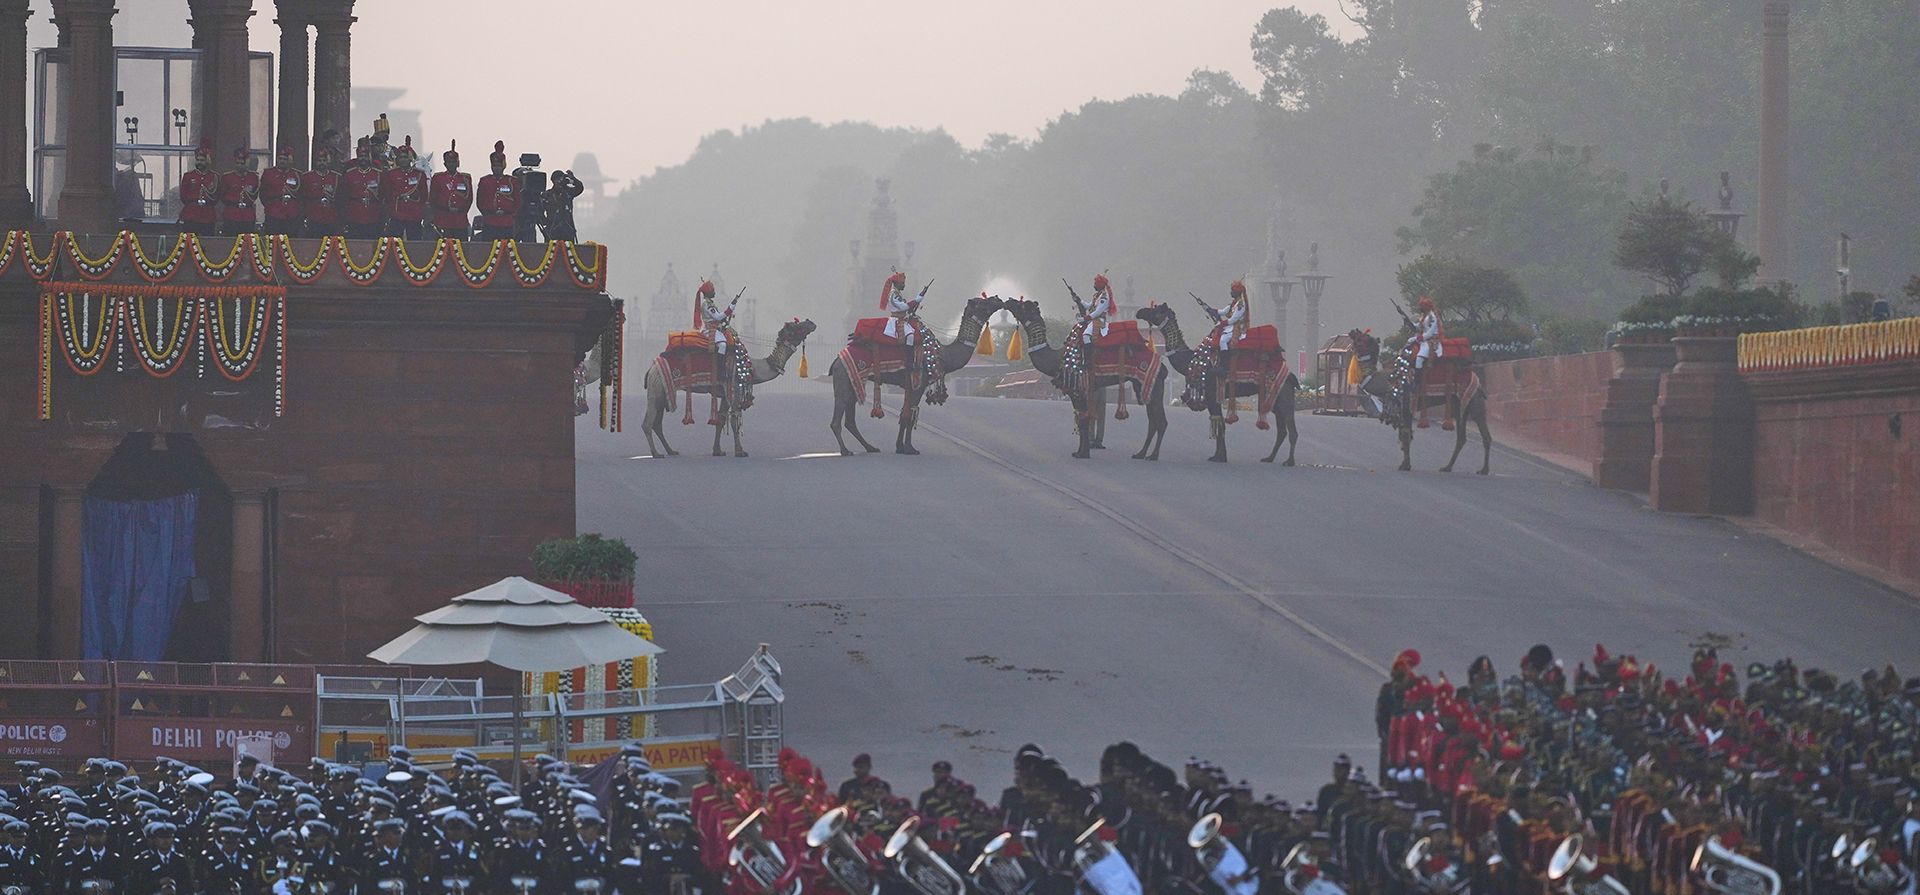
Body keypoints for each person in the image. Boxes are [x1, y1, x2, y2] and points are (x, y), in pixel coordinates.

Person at [475, 141, 521, 242]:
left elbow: (517, 201)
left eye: (499, 166)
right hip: (490, 221)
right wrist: (488, 214)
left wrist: (510, 214)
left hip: (506, 222)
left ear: (503, 166)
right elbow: (480, 201)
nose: (496, 168)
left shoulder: (512, 181)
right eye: (494, 166)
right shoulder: (485, 181)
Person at [340, 137, 385, 240]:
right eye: (360, 156)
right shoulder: (350, 171)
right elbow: (343, 195)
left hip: (373, 214)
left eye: (365, 156)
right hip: (355, 214)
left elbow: (383, 193)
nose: (363, 158)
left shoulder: (378, 172)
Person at [384, 136, 429, 239]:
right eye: (400, 157)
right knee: (394, 243)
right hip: (397, 214)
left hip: (414, 214)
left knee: (414, 243)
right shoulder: (392, 174)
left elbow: (424, 195)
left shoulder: (419, 174)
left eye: (405, 157)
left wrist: (420, 211)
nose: (403, 160)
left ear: (410, 159)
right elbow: (388, 194)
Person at [430, 141, 474, 241]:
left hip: (460, 221)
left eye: (453, 162)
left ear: (458, 163)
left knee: (461, 252)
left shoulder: (465, 179)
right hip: (443, 220)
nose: (451, 164)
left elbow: (469, 199)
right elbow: (433, 199)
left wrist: (460, 210)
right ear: (445, 163)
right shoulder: (438, 178)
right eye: (449, 162)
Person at [259, 141, 304, 237]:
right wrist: (270, 206)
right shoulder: (268, 173)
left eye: (285, 159)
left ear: (290, 160)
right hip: (274, 212)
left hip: (291, 214)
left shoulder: (297, 175)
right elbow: (263, 194)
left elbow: (301, 194)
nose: (282, 161)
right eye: (280, 158)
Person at [177, 139, 219, 236]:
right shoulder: (188, 176)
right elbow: (183, 196)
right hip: (191, 215)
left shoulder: (214, 177)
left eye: (202, 160)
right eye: (198, 160)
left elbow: (216, 196)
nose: (199, 162)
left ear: (207, 161)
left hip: (208, 215)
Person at [299, 144, 342, 238]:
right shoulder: (307, 177)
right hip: (313, 216)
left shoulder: (336, 177)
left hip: (331, 217)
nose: (322, 163)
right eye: (319, 161)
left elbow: (340, 199)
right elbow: (302, 197)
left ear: (328, 162)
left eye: (324, 160)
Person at [216, 147, 260, 237]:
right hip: (232, 215)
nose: (240, 165)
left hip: (248, 215)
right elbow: (223, 196)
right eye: (238, 163)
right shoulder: (227, 177)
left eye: (242, 163)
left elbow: (255, 194)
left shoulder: (253, 177)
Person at [1408, 295, 1443, 395]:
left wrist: (1416, 338)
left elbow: (1429, 333)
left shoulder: (1432, 317)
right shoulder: (1423, 317)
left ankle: (1417, 384)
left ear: (1427, 307)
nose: (1420, 308)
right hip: (1423, 341)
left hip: (1430, 341)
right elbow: (1418, 327)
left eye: (1422, 306)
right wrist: (1408, 322)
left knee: (1419, 359)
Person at [542, 170, 584, 243]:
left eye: (562, 179)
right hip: (552, 229)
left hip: (567, 229)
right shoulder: (547, 195)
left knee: (569, 252)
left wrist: (573, 179)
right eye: (558, 179)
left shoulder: (568, 193)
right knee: (551, 252)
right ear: (554, 181)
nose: (560, 182)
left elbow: (580, 188)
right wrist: (546, 222)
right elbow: (540, 209)